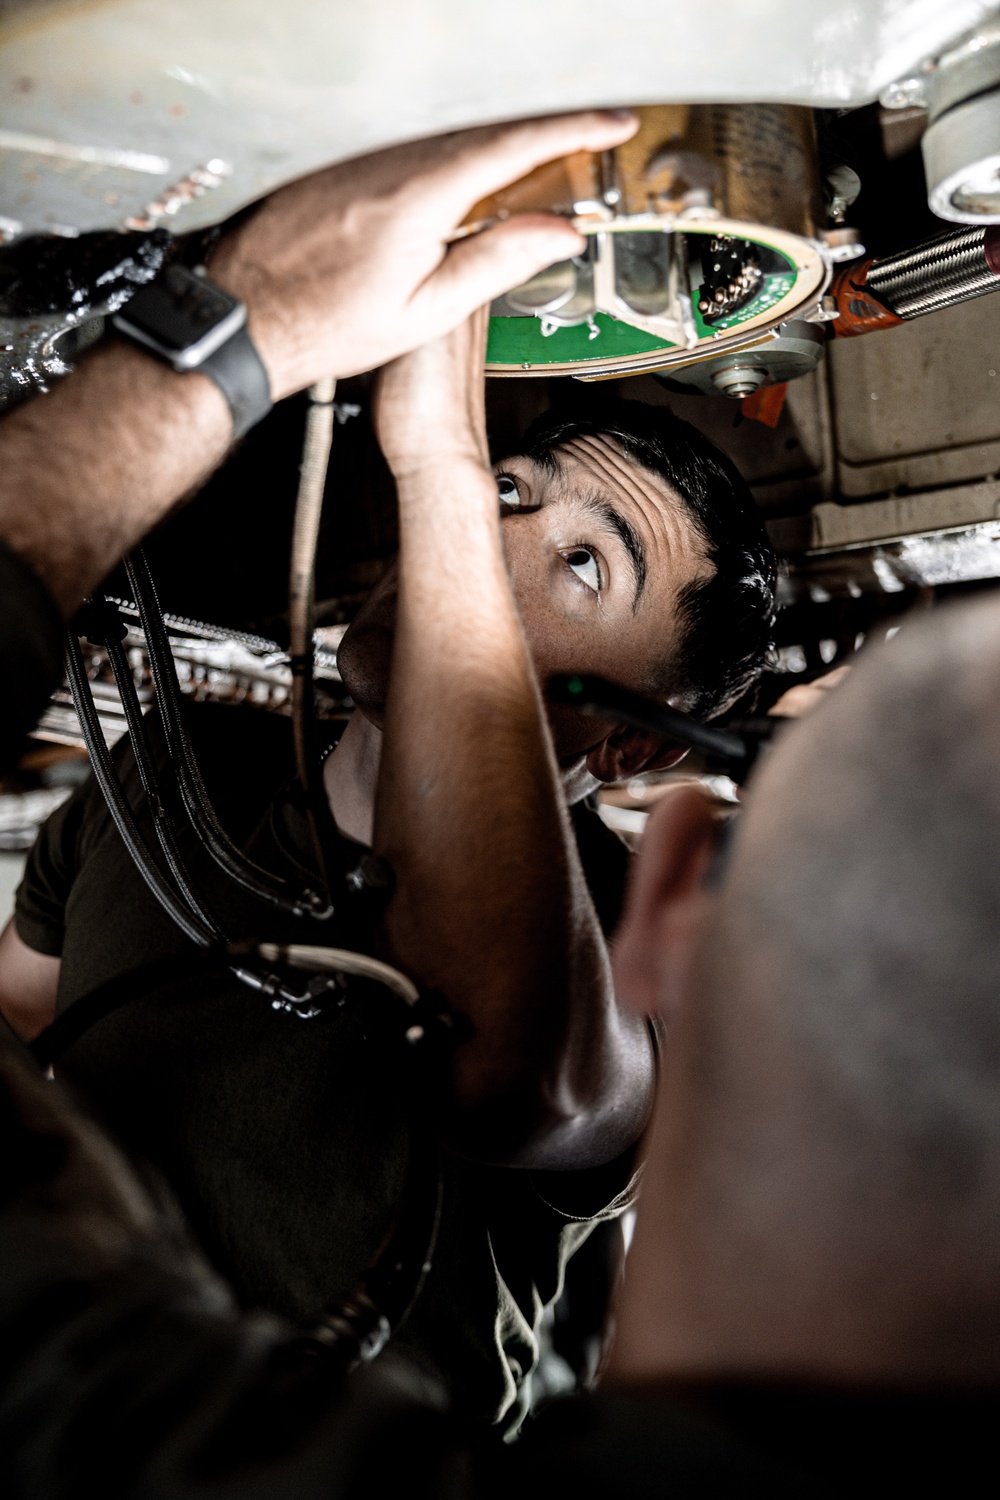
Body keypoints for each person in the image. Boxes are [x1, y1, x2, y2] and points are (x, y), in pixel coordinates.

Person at [0, 307, 775, 1428]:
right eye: (506, 490)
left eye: (583, 564)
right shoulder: (183, 763)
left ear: (633, 744)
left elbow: (527, 1083)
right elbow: (24, 1006)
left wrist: (438, 456)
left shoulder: (632, 949)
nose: (480, 529)